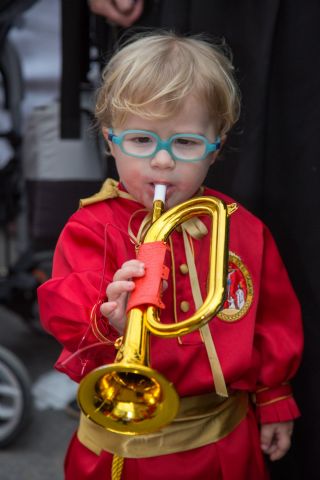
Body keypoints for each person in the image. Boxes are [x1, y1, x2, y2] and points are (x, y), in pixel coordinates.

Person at [38, 32, 303, 480]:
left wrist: (275, 397)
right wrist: (108, 318)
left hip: (222, 440)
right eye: (141, 140)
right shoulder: (90, 228)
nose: (162, 162)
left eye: (185, 143)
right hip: (123, 449)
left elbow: (272, 319)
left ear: (216, 144)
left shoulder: (242, 226)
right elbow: (65, 315)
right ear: (110, 141)